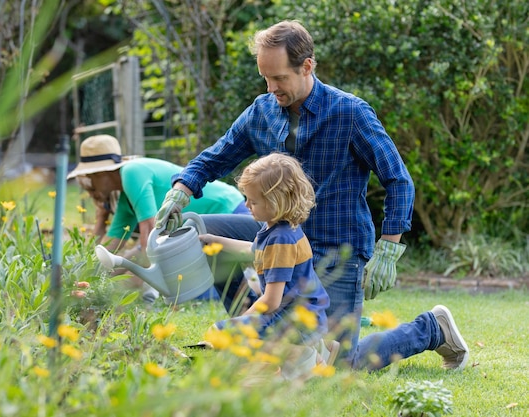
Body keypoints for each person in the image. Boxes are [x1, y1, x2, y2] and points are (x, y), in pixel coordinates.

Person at [155, 20, 469, 371]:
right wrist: (181, 190)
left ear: (307, 66)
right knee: (198, 234)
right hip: (276, 235)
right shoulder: (261, 112)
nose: (271, 87)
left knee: (335, 363)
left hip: (336, 246)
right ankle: (256, 332)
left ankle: (431, 329)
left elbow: (398, 179)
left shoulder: (349, 113)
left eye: (280, 78)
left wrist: (389, 248)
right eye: (266, 78)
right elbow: (216, 157)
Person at [196, 153, 339, 374]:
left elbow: (271, 301)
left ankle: (304, 357)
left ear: (275, 202)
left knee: (220, 333)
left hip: (294, 322)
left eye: (253, 201)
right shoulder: (277, 228)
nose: (246, 205)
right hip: (305, 317)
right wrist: (214, 241)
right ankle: (314, 349)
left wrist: (242, 322)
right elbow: (253, 251)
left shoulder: (280, 239)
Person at [67, 134, 250, 301]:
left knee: (188, 292)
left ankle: (254, 283)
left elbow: (150, 237)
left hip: (226, 208)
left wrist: (146, 283)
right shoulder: (125, 198)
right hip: (200, 227)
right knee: (191, 286)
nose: (91, 185)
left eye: (92, 178)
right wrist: (89, 275)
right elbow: (112, 244)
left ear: (103, 173)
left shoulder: (132, 172)